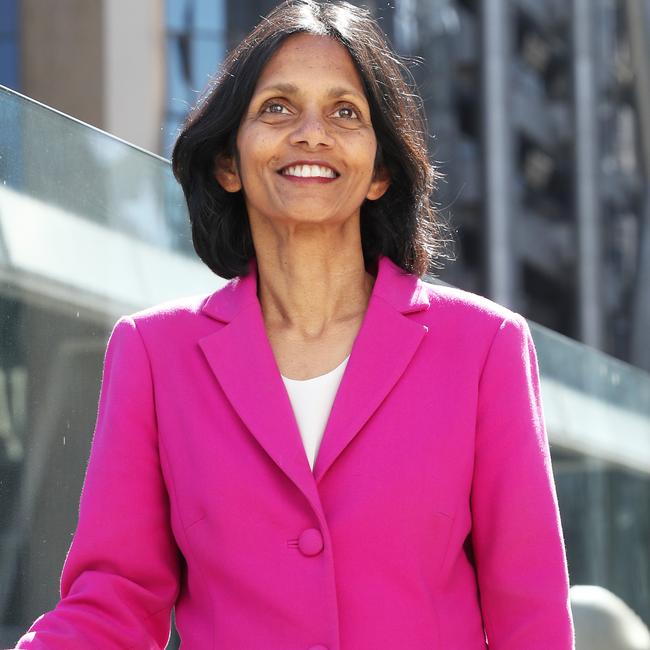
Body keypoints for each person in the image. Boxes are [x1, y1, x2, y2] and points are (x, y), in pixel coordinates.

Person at [13, 0, 575, 648]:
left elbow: (529, 617)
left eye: (345, 112)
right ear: (229, 161)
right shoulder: (151, 353)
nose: (312, 133)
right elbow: (113, 604)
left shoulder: (485, 348)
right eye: (277, 107)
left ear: (379, 170)